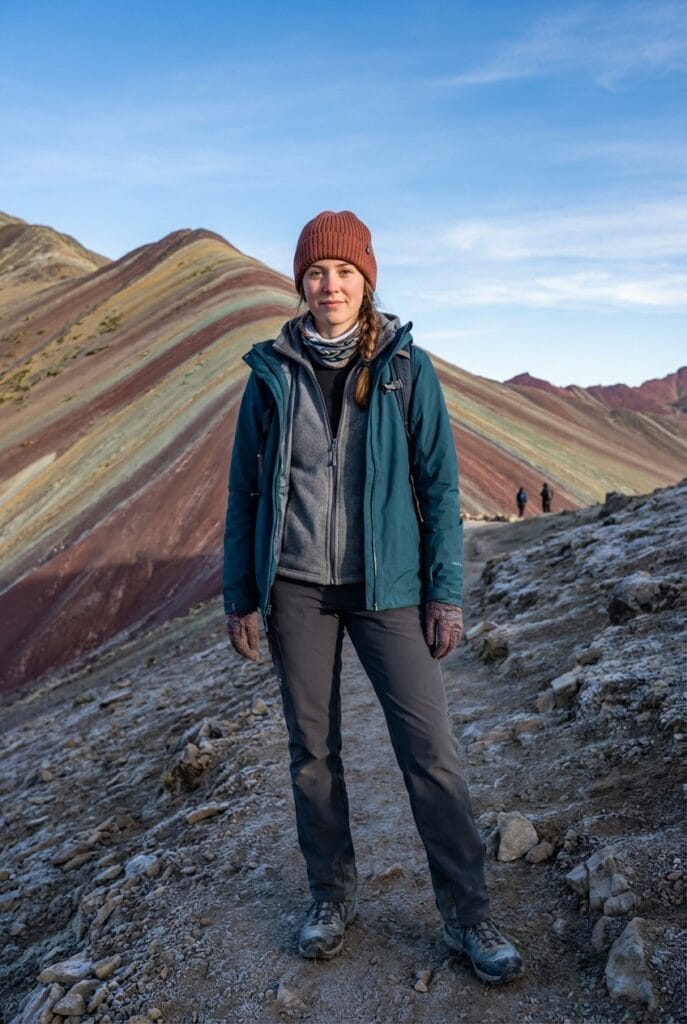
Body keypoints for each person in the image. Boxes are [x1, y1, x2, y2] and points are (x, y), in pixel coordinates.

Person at [222, 210, 524, 985]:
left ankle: (468, 915)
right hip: (294, 587)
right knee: (312, 753)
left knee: (429, 752)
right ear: (300, 283)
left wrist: (444, 594)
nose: (330, 286)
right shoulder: (271, 370)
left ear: (366, 281)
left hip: (389, 586)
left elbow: (438, 482)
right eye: (316, 273)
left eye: (344, 272)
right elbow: (246, 490)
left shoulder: (403, 367)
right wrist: (240, 595)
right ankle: (330, 896)